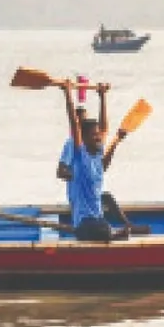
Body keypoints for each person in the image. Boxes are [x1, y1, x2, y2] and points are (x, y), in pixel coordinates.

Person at [58, 80, 141, 242]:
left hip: (98, 219)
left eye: (98, 135)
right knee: (102, 230)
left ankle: (116, 232)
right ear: (84, 139)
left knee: (104, 217)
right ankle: (114, 235)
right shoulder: (80, 154)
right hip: (83, 223)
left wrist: (103, 96)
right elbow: (74, 123)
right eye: (93, 135)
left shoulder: (98, 156)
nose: (98, 137)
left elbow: (104, 128)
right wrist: (67, 93)